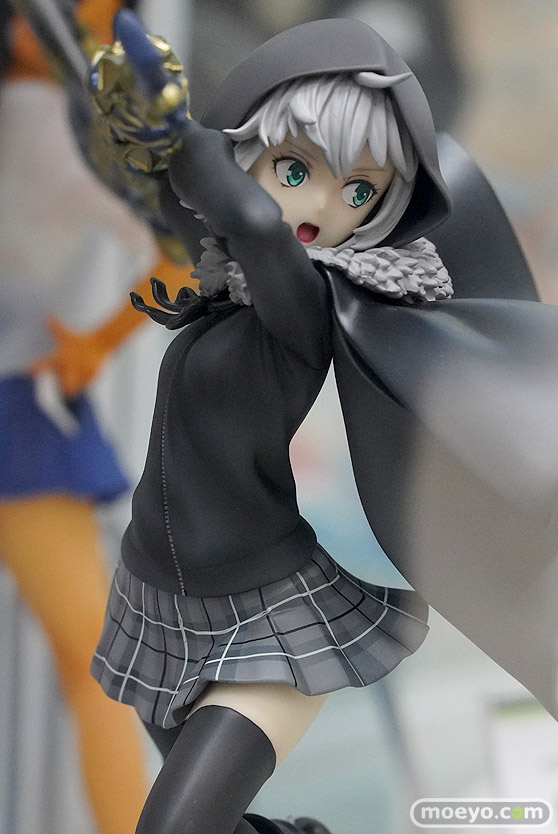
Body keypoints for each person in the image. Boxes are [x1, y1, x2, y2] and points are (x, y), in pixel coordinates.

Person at [90, 12, 558, 834]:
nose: (319, 207)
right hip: (153, 598)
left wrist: (175, 131)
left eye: (359, 192)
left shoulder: (300, 302)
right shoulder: (228, 286)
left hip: (264, 624)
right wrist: (132, 127)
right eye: (295, 167)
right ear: (250, 148)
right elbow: (189, 208)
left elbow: (256, 223)